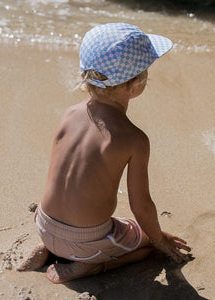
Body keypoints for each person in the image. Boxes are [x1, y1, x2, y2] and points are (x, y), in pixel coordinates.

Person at [17, 23, 191, 283]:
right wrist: (160, 239)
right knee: (145, 244)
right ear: (134, 85)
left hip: (44, 225)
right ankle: (90, 266)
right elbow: (141, 206)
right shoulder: (134, 139)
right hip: (84, 242)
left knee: (87, 225)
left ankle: (51, 250)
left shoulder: (69, 114)